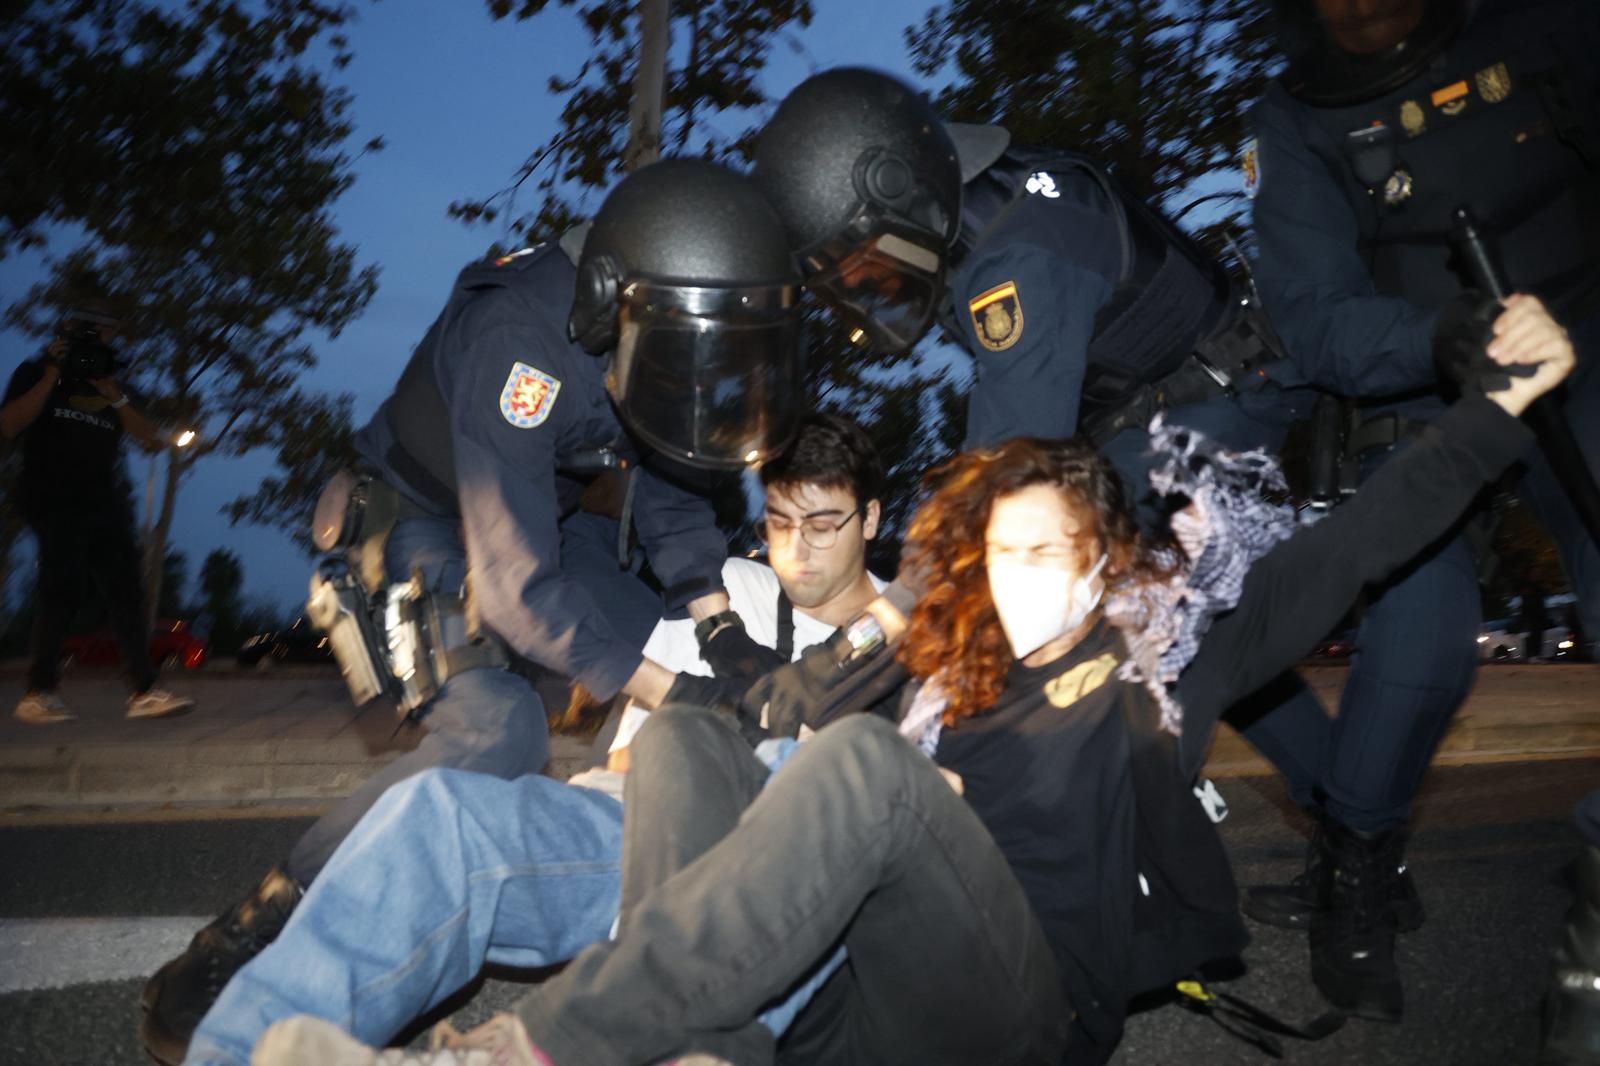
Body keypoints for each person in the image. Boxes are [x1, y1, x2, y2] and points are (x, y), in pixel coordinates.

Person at [253, 293, 1575, 1066]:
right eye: (1003, 553)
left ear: (1108, 558)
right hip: (862, 999)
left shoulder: (1168, 651)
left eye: (1056, 553)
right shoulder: (945, 651)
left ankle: (518, 1056)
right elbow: (777, 708)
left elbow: (1356, 545)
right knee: (689, 750)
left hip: (1021, 1007)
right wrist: (667, 707)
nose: (1025, 580)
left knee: (868, 774)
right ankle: (703, 1049)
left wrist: (1495, 408)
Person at [139, 158, 808, 1064]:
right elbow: (516, 589)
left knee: (666, 636)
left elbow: (671, 488)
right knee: (500, 731)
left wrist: (723, 637)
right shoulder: (521, 340)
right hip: (419, 521)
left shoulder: (658, 326)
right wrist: (678, 694)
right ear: (616, 305)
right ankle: (252, 932)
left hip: (538, 518)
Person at [178, 413, 888, 1066]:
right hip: (636, 822)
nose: (796, 549)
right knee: (439, 809)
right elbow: (628, 755)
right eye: (779, 523)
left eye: (823, 524)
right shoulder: (726, 589)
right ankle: (234, 1051)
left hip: (777, 855)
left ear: (872, 519)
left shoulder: (915, 638)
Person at [1240, 0, 1599, 1021]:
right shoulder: (1289, 123)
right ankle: (1359, 867)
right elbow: (1311, 316)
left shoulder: (1545, 30)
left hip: (1579, 336)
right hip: (1417, 370)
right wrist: (1433, 341)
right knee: (1416, 625)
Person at [751, 66, 1312, 507]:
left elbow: (1007, 468)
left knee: (1097, 599)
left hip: (1218, 417)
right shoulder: (965, 221)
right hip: (1150, 426)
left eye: (857, 258)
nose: (858, 282)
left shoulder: (1014, 260)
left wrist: (906, 605)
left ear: (899, 196)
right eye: (837, 275)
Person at [0, 299, 195, 724]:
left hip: (104, 497)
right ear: (67, 330)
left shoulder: (117, 383)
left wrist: (116, 395)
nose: (98, 338)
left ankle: (144, 691)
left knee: (127, 590)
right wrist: (53, 372)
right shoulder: (36, 371)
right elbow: (11, 423)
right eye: (87, 330)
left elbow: (150, 439)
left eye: (105, 331)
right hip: (50, 493)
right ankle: (39, 691)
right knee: (61, 586)